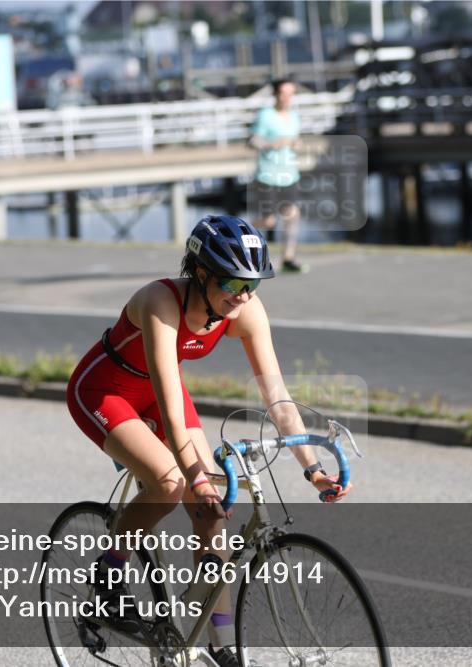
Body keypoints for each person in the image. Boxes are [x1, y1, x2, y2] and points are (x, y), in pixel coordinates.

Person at [65, 214, 351, 666]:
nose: (244, 296)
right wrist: (193, 478)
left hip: (161, 394)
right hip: (105, 390)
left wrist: (311, 468)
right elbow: (171, 404)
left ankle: (219, 644)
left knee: (211, 511)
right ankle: (108, 574)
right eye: (234, 284)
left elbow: (277, 398)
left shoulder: (245, 309)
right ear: (201, 274)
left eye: (252, 285)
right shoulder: (160, 301)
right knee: (170, 483)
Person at [250, 79, 308, 273]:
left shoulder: (294, 117)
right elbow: (253, 141)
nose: (288, 98)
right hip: (268, 175)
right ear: (275, 94)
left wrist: (297, 143)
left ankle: (288, 258)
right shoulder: (266, 115)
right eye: (284, 93)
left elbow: (295, 139)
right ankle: (236, 231)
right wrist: (271, 144)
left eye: (291, 94)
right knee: (269, 222)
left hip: (289, 174)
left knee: (292, 214)